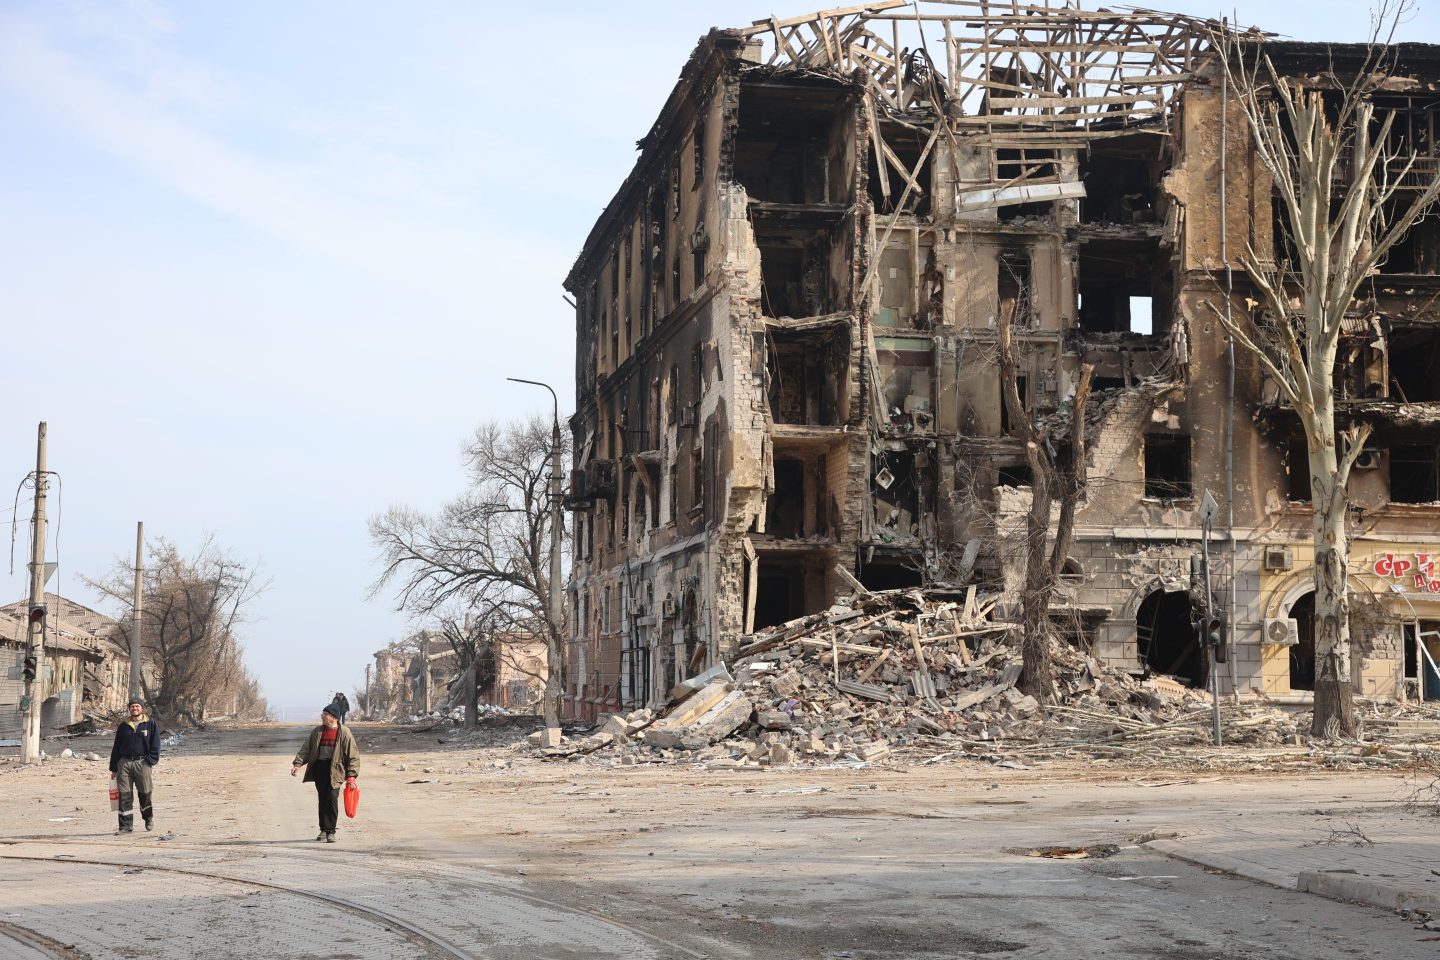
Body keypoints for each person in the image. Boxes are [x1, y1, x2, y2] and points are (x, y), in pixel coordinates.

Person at [290, 702, 359, 842]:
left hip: (336, 770)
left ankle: (331, 831)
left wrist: (351, 776)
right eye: (323, 714)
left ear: (333, 717)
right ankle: (323, 830)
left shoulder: (344, 732)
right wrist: (298, 764)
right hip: (320, 768)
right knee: (322, 799)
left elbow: (353, 755)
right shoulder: (317, 731)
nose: (322, 717)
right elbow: (306, 749)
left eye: (325, 714)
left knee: (332, 799)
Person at [108, 697, 160, 834]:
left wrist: (150, 761)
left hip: (143, 763)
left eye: (137, 706)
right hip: (124, 764)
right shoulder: (123, 726)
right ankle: (125, 827)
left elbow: (156, 744)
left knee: (145, 793)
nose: (135, 708)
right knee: (124, 795)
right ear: (129, 708)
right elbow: (116, 747)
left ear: (142, 708)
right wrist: (114, 768)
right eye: (132, 706)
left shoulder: (150, 724)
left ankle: (148, 817)